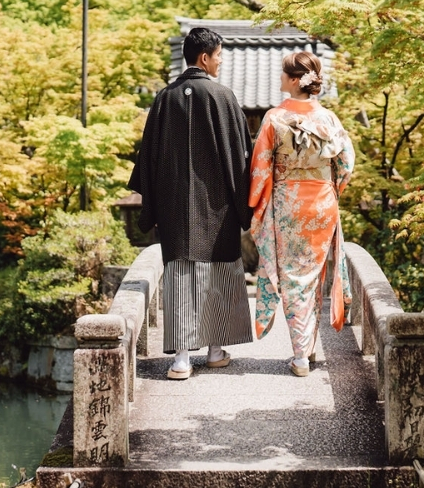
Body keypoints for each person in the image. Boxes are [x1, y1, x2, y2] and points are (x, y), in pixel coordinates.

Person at [127, 27, 254, 379]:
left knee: (181, 274)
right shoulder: (223, 97)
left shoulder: (164, 99)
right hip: (217, 207)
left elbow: (147, 159)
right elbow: (239, 158)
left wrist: (154, 206)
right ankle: (214, 351)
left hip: (175, 209)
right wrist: (245, 206)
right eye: (219, 56)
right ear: (204, 58)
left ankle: (182, 359)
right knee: (218, 271)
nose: (220, 61)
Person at [248, 51, 355, 377]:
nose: (280, 79)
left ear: (295, 80)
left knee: (294, 279)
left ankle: (300, 357)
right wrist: (331, 190)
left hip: (289, 204)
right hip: (322, 202)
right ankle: (307, 346)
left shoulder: (274, 118)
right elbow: (347, 164)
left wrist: (258, 204)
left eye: (283, 75)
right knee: (315, 277)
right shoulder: (330, 120)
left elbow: (260, 169)